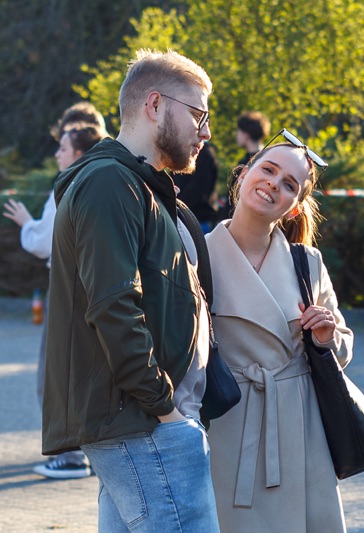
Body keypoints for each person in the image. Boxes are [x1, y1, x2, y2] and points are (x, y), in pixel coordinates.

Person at [43, 49, 220, 531]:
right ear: (155, 104)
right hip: (144, 424)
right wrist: (164, 408)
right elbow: (113, 304)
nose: (206, 132)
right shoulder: (110, 183)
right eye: (199, 115)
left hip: (143, 423)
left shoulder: (138, 185)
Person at [205, 130, 353, 532]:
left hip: (299, 430)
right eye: (268, 170)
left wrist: (326, 338)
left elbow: (343, 348)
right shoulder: (195, 254)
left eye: (290, 184)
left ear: (294, 207)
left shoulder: (308, 263)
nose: (274, 184)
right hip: (224, 425)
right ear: (243, 175)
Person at [3, 102, 107, 479]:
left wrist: (26, 223)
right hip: (98, 286)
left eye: (62, 146)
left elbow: (45, 241)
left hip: (70, 287)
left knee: (58, 371)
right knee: (91, 370)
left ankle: (69, 455)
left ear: (78, 149)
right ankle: (91, 450)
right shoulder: (108, 178)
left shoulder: (71, 183)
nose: (57, 153)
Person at [223, 111, 270, 217]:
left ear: (246, 134)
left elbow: (233, 198)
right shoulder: (268, 162)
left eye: (238, 131)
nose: (237, 135)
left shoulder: (246, 163)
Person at [173, 141, 219, 232]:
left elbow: (197, 190)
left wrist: (177, 206)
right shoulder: (184, 150)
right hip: (186, 216)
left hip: (196, 219)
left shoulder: (204, 155)